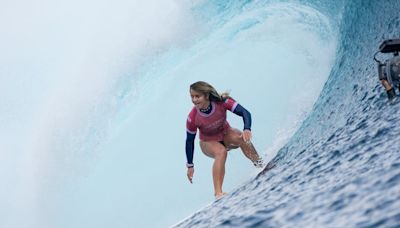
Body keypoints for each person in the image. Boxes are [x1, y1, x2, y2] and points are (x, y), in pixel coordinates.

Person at [185, 81, 264, 199]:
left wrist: (247, 128)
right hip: (207, 142)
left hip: (225, 133)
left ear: (206, 95)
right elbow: (189, 142)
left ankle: (261, 165)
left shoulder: (222, 102)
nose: (194, 100)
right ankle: (218, 193)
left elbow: (245, 112)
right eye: (192, 97)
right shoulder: (193, 117)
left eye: (197, 96)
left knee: (241, 137)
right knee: (221, 152)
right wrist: (190, 166)